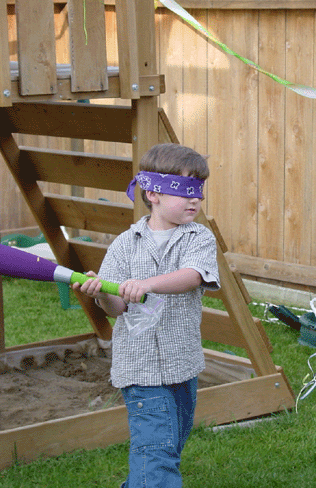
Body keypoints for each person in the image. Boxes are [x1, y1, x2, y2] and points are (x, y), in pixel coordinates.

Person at [73, 143, 220, 487]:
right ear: (153, 193)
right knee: (156, 452)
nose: (194, 199)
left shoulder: (199, 237)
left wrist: (146, 284)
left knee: (167, 448)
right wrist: (102, 294)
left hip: (182, 364)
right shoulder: (124, 245)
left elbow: (192, 276)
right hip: (139, 368)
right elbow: (117, 308)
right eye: (184, 190)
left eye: (198, 190)